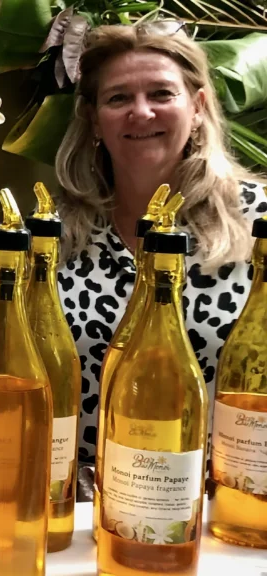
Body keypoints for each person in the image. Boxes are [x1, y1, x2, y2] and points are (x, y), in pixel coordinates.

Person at [54, 23, 267, 469]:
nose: (141, 112)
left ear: (197, 108)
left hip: (217, 510)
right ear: (94, 119)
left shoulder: (258, 225)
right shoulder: (55, 235)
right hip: (80, 511)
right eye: (118, 98)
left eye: (161, 94)